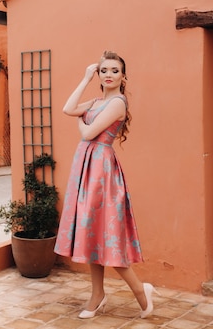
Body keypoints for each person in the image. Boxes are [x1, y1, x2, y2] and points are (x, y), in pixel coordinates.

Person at [54, 51, 158, 319]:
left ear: (123, 76)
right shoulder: (97, 100)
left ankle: (139, 290)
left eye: (114, 70)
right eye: (103, 71)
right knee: (91, 231)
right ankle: (97, 295)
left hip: (101, 169)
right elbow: (67, 108)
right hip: (86, 167)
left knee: (106, 234)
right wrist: (85, 77)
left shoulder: (117, 103)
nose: (108, 75)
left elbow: (88, 133)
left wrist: (80, 120)